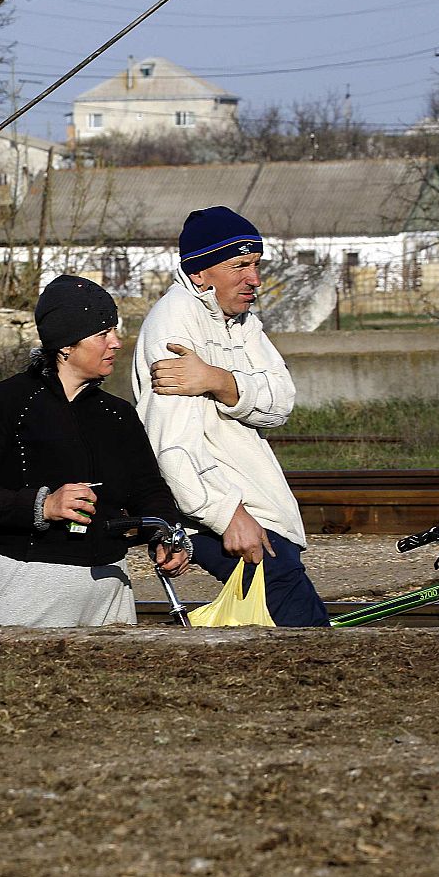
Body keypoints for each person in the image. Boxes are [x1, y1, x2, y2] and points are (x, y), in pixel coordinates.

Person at [0, 275, 189, 627]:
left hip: (111, 586)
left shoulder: (118, 413)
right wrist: (42, 505)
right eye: (103, 334)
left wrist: (165, 535)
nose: (116, 343)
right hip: (32, 582)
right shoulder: (3, 404)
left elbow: (148, 489)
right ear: (66, 345)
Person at [131, 206, 330, 627]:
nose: (254, 279)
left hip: (260, 509)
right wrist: (228, 515)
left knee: (286, 627)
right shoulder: (175, 326)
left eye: (256, 265)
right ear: (200, 272)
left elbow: (281, 401)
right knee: (307, 636)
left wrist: (220, 380)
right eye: (240, 265)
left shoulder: (240, 322)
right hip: (224, 512)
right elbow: (170, 447)